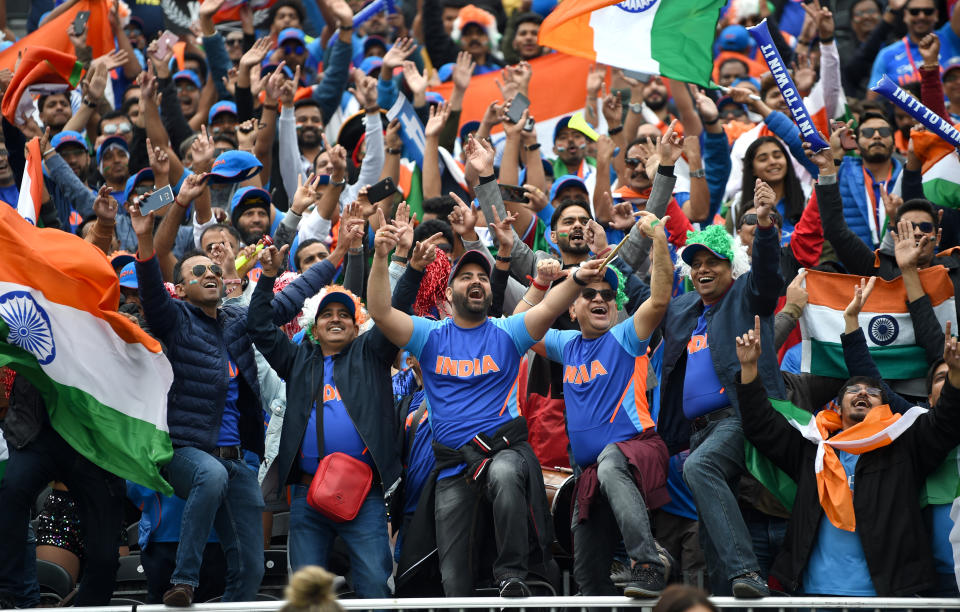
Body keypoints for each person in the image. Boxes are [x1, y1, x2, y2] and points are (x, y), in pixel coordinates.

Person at [366, 203, 614, 596]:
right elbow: (379, 311)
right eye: (466, 277)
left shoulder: (507, 332)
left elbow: (550, 306)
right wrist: (383, 257)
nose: (477, 282)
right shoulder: (429, 335)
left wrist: (579, 276)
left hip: (506, 454)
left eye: (483, 276)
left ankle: (512, 576)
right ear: (449, 291)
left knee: (500, 472)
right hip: (452, 471)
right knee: (453, 583)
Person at [736, 289, 960, 596]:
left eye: (872, 392)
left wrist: (956, 378)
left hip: (889, 596)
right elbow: (761, 427)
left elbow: (945, 423)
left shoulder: (903, 444)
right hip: (814, 595)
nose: (863, 393)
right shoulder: (813, 447)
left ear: (884, 407)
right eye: (853, 390)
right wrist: (749, 371)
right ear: (837, 408)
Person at [247, 217, 402, 598]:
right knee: (307, 597)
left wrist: (378, 257)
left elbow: (393, 311)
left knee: (374, 591)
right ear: (313, 329)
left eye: (344, 315)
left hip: (364, 493)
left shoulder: (373, 353)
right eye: (327, 315)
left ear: (357, 325)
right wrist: (266, 278)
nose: (336, 319)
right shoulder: (297, 360)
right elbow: (258, 326)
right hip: (305, 493)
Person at [132, 206, 266, 606]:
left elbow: (286, 301)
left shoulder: (235, 324)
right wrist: (144, 239)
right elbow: (152, 291)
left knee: (250, 568)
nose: (208, 273)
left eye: (212, 269)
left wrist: (340, 254)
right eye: (197, 272)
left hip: (236, 459)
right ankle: (184, 582)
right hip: (187, 451)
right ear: (182, 290)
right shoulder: (175, 322)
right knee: (209, 475)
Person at [658, 180, 785, 598]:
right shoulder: (683, 310)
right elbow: (648, 296)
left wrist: (765, 228)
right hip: (698, 431)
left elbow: (768, 278)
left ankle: (747, 573)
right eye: (695, 264)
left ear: (733, 267)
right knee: (712, 536)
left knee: (700, 468)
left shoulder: (746, 296)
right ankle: (723, 593)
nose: (703, 270)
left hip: (743, 415)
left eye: (714, 261)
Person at [537, 211, 674, 597]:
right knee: (588, 582)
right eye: (589, 294)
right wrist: (540, 284)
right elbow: (520, 328)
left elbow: (660, 298)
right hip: (589, 473)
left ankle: (648, 563)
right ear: (571, 308)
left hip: (637, 452)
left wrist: (659, 239)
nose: (600, 298)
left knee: (612, 460)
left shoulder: (626, 338)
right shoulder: (566, 346)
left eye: (608, 294)